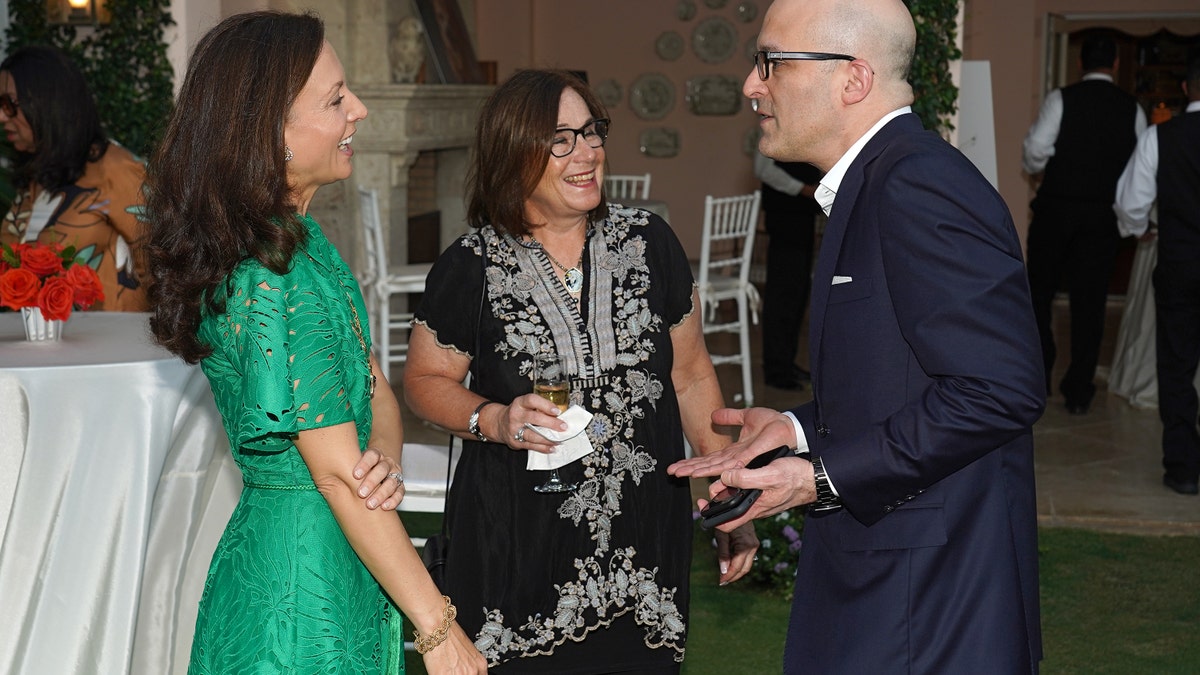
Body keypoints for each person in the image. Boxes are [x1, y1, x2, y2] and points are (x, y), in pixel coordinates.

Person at [668, 0, 1046, 672]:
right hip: (894, 579)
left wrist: (820, 474)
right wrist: (798, 428)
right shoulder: (877, 182)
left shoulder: (917, 184)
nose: (754, 85)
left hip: (928, 605)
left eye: (772, 63)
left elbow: (999, 388)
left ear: (852, 80)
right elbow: (913, 378)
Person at [144, 11, 485, 674]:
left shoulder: (302, 245)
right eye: (335, 99)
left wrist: (381, 458)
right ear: (269, 132)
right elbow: (329, 468)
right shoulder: (274, 277)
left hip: (331, 552)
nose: (358, 109)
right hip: (300, 590)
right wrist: (439, 626)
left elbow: (375, 387)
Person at [402, 69, 759, 672]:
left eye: (591, 132)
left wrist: (725, 487)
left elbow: (692, 375)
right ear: (512, 154)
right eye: (560, 139)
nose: (587, 152)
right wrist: (493, 417)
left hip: (644, 549)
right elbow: (422, 383)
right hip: (514, 546)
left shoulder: (650, 244)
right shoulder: (470, 267)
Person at [1022, 33, 1147, 415]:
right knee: (1089, 304)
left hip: (1055, 212)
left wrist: (1039, 172)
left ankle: (1038, 378)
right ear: (1115, 65)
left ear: (1080, 64)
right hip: (1101, 217)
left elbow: (1035, 152)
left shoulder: (1062, 99)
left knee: (1039, 296)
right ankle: (1078, 391)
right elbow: (1138, 169)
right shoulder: (1133, 109)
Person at [0, 45, 149, 310]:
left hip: (117, 346)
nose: (1, 116)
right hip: (45, 347)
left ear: (48, 101)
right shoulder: (37, 179)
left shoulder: (116, 169)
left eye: (10, 104)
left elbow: (166, 266)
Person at [1114, 55, 1200, 496]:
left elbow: (1131, 201)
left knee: (1177, 366)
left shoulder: (1160, 137)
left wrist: (1139, 229)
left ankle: (1184, 468)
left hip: (1181, 263)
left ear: (1187, 89)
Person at [753, 149, 822, 390]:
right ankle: (776, 369)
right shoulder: (772, 129)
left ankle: (788, 361)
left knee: (797, 294)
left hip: (803, 219)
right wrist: (801, 189)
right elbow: (764, 170)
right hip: (784, 222)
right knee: (781, 295)